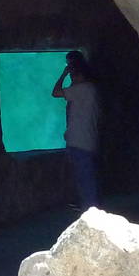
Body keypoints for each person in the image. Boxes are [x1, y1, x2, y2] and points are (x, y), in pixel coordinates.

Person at [52, 50, 100, 209]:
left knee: (85, 178)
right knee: (85, 177)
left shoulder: (81, 89)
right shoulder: (90, 89)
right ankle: (88, 207)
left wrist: (63, 74)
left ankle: (90, 211)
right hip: (86, 139)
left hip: (79, 141)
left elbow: (56, 92)